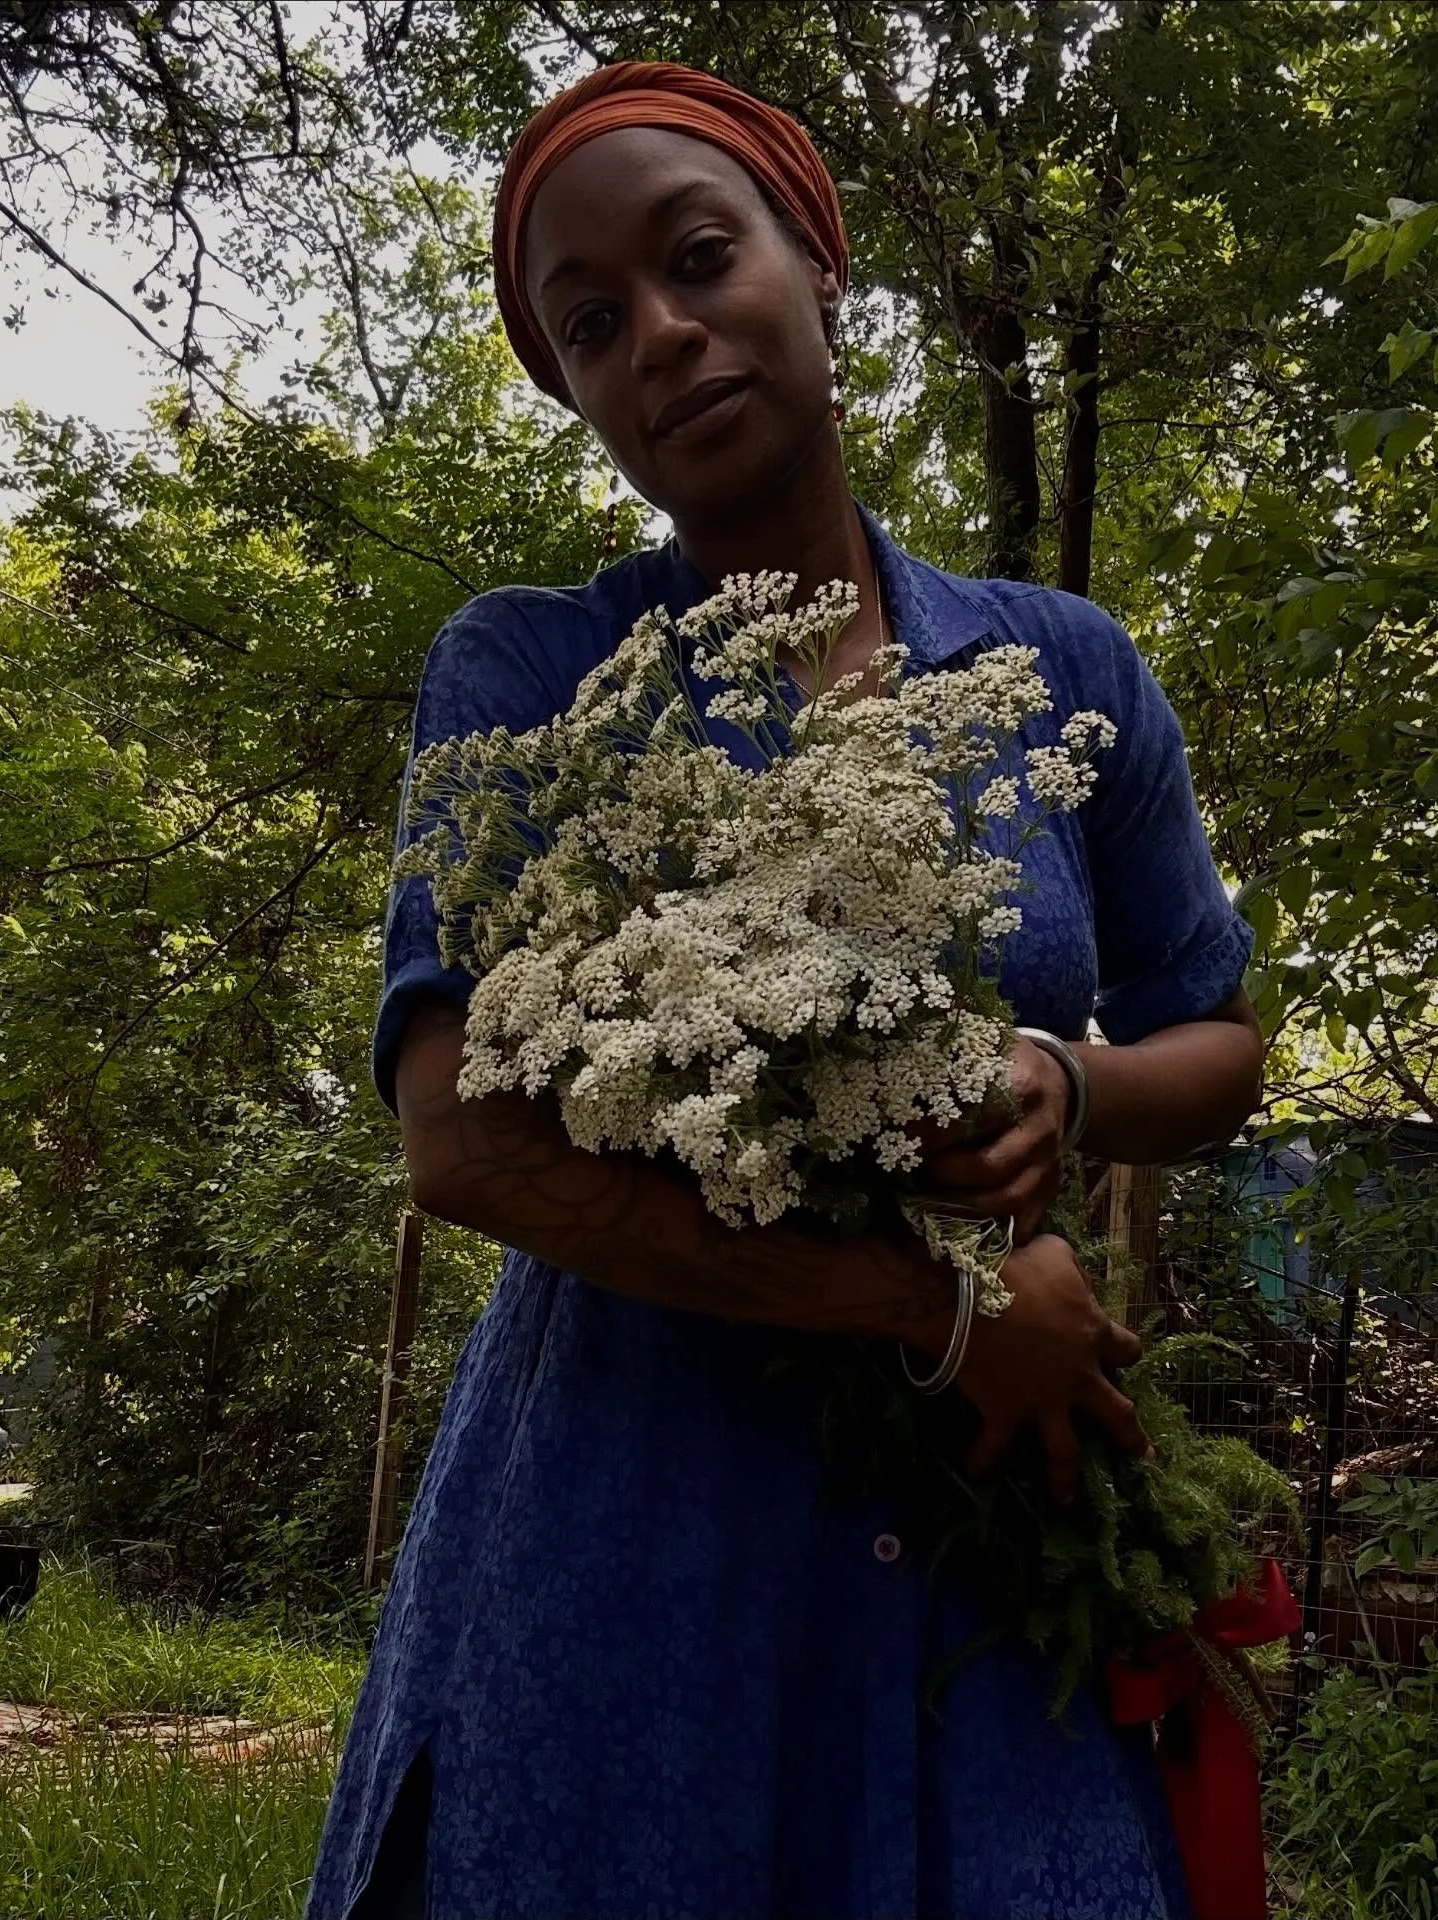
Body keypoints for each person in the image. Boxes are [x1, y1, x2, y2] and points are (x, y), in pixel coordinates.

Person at [307, 61, 1263, 1920]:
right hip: (630, 1548)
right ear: (579, 394)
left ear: (818, 267)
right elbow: (461, 1141)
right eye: (592, 325)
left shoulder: (1060, 668)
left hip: (998, 1560)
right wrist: (932, 1307)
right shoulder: (533, 672)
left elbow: (1215, 1041)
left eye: (696, 258)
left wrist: (1076, 1085)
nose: (658, 335)